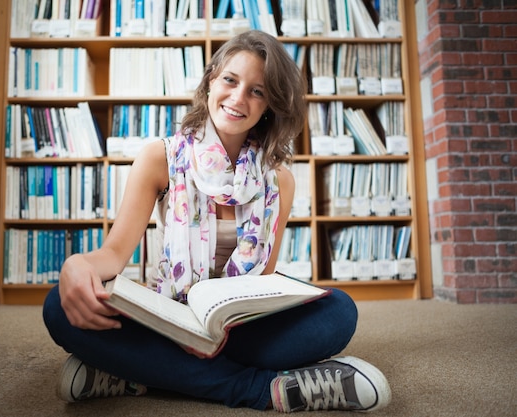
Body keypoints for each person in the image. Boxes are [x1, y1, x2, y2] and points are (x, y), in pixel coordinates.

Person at [43, 30, 391, 412]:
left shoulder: (280, 182)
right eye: (230, 80)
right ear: (210, 82)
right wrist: (76, 266)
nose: (239, 98)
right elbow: (113, 254)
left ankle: (134, 373)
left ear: (269, 106)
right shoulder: (161, 157)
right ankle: (259, 390)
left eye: (257, 91)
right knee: (59, 308)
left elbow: (264, 285)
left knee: (338, 311)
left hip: (237, 329)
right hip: (169, 318)